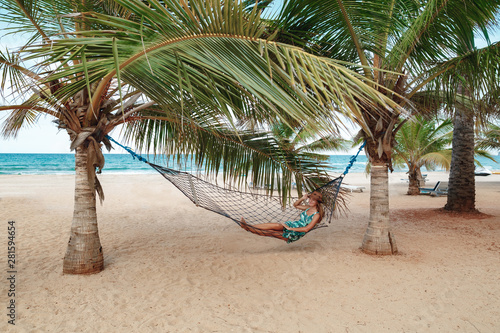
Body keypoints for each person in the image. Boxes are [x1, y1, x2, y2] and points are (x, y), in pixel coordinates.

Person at [240, 191, 324, 243]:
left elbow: (306, 229)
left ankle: (247, 228)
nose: (310, 201)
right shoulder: (308, 208)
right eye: (310, 199)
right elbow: (295, 205)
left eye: (313, 200)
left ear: (317, 202)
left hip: (296, 233)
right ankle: (248, 227)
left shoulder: (316, 215)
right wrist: (302, 198)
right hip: (292, 224)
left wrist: (291, 229)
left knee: (271, 232)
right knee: (273, 225)